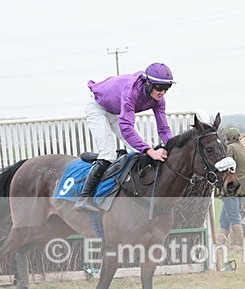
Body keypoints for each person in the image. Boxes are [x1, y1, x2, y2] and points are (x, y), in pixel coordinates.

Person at [75, 63, 176, 212]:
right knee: (108, 154)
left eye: (166, 88)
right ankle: (83, 199)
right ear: (148, 83)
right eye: (159, 88)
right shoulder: (132, 91)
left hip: (116, 112)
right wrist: (150, 151)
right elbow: (127, 128)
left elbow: (163, 129)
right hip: (98, 108)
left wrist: (173, 147)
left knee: (138, 150)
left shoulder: (159, 100)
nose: (162, 92)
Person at [217, 128, 245, 245]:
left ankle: (238, 244)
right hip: (242, 188)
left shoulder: (230, 148)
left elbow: (225, 164)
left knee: (234, 218)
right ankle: (220, 242)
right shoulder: (242, 148)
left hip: (232, 189)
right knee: (224, 219)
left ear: (229, 137)